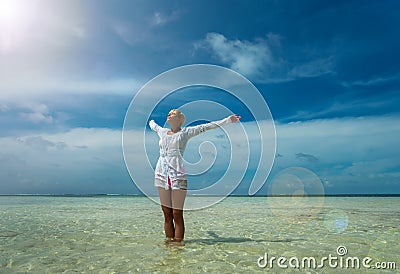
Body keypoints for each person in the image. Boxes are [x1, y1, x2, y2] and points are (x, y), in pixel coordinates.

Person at [149, 109, 241, 245]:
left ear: (180, 118)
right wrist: (150, 119)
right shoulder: (162, 132)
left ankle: (178, 244)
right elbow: (153, 125)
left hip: (177, 175)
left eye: (173, 113)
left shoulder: (186, 133)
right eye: (168, 113)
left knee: (176, 213)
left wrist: (228, 120)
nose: (169, 114)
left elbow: (207, 126)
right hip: (161, 174)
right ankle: (168, 245)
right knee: (167, 214)